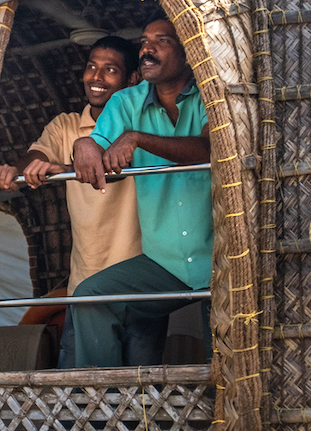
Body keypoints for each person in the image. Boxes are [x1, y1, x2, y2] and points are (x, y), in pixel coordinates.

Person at [0, 36, 144, 367]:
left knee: (143, 389)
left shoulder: (142, 125)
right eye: (91, 67)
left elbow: (111, 169)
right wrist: (13, 171)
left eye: (110, 69)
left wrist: (65, 168)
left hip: (141, 283)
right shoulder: (67, 125)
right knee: (81, 395)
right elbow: (35, 158)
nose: (96, 77)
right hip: (84, 283)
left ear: (132, 79)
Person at [70, 18, 212, 368]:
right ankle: (100, 414)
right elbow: (101, 159)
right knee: (90, 298)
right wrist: (84, 143)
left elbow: (211, 149)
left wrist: (138, 138)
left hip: (225, 259)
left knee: (229, 357)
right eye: (144, 41)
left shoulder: (211, 94)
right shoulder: (125, 103)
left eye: (161, 40)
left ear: (188, 51)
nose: (147, 49)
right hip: (164, 263)